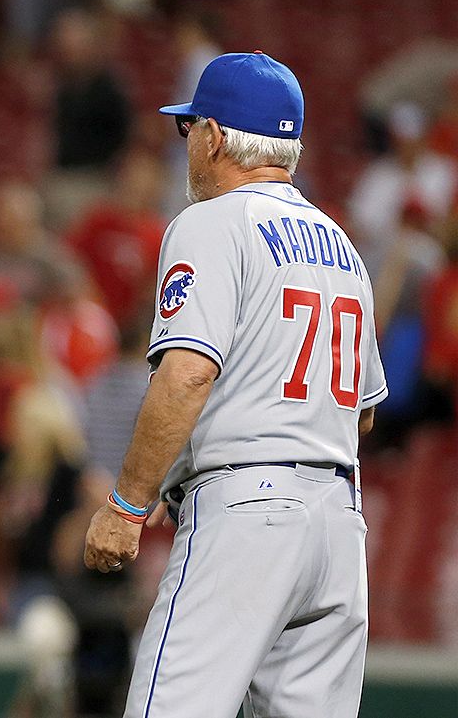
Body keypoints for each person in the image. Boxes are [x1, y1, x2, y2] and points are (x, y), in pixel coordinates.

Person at [82, 52, 388, 718]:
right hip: (338, 522)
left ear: (215, 136)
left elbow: (188, 371)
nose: (186, 143)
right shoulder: (343, 243)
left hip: (246, 509)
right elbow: (361, 415)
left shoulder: (211, 221)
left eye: (188, 128)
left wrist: (129, 504)